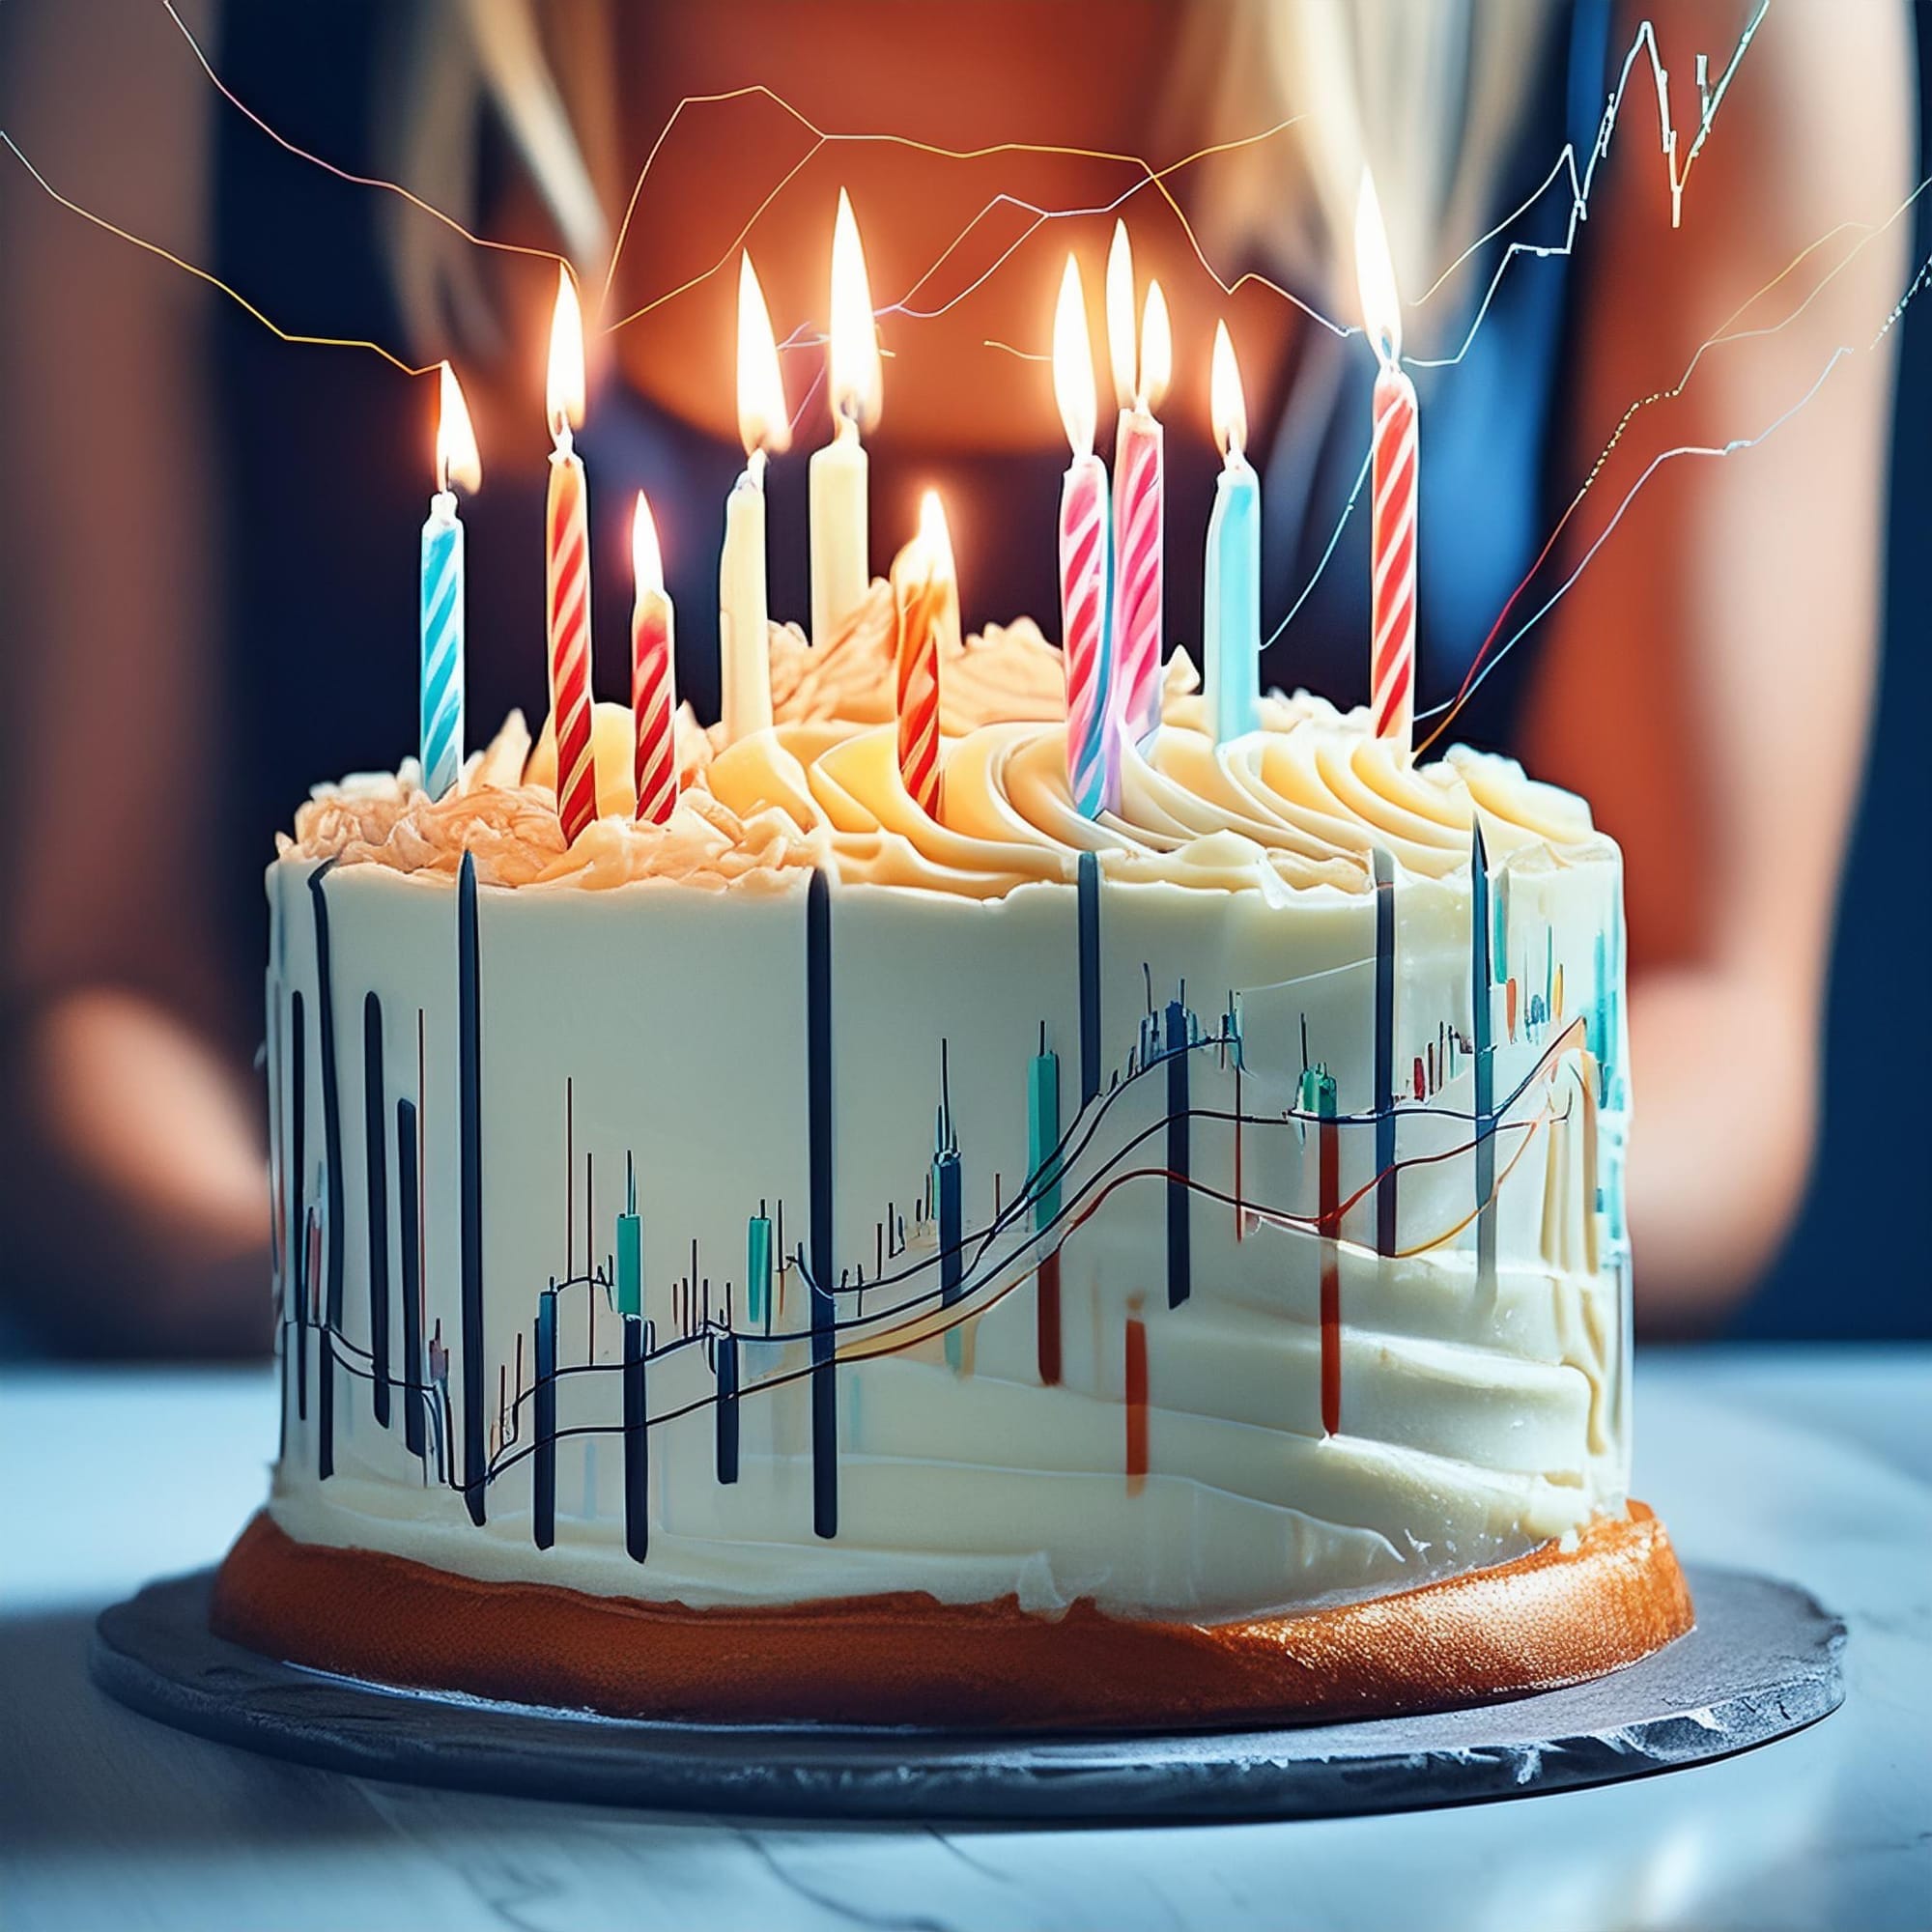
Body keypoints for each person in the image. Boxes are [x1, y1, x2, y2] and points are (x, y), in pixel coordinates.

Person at [0, 0, 1912, 1354]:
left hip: (1285, 1465)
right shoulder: (177, 37)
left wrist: (1275, 1257)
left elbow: (1706, 1013)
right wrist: (384, 1292)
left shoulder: (1695, 39)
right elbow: (92, 984)